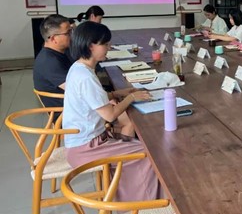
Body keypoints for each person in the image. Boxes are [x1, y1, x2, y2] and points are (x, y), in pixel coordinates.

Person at [63, 21, 161, 201]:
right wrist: (132, 98)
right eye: (105, 44)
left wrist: (118, 93)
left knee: (138, 146)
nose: (108, 48)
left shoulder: (79, 67)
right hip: (86, 148)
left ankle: (129, 197)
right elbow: (110, 115)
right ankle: (144, 203)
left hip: (86, 142)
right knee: (149, 153)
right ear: (91, 46)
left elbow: (92, 98)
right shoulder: (85, 77)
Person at [33, 15, 73, 107]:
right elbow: (78, 91)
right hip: (66, 111)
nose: (72, 35)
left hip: (73, 105)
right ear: (53, 38)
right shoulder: (49, 61)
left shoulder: (59, 52)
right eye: (68, 33)